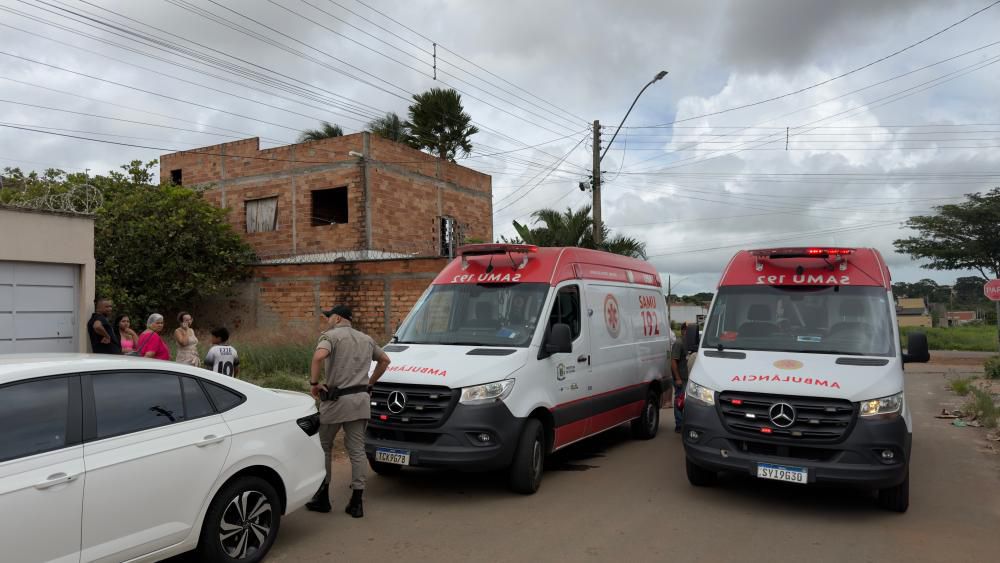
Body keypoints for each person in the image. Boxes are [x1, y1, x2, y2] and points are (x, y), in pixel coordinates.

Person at [306, 305, 391, 518]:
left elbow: (318, 357)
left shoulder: (330, 337)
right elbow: (385, 360)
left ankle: (322, 497)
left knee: (324, 446)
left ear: (336, 318)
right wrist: (369, 384)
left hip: (336, 401)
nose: (327, 320)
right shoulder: (366, 339)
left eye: (328, 316)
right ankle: (356, 502)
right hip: (360, 401)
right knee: (356, 450)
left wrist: (314, 383)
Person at [671, 323, 690, 433]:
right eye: (688, 330)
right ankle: (679, 425)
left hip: (688, 378)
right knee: (679, 401)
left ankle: (685, 423)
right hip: (681, 378)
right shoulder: (679, 343)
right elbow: (673, 361)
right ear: (683, 330)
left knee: (687, 402)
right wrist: (677, 378)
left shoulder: (689, 343)